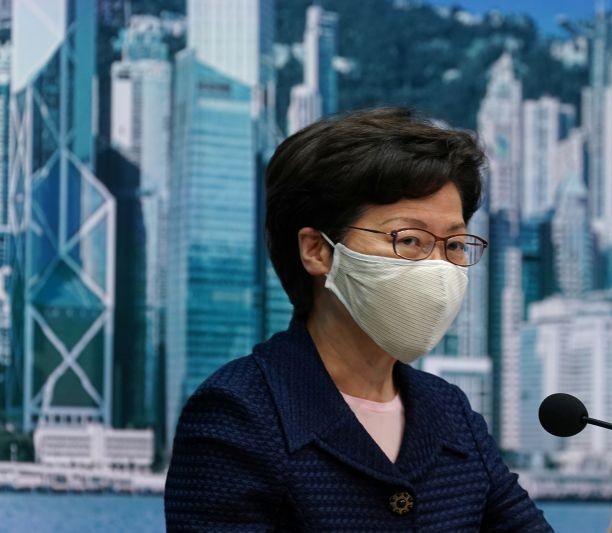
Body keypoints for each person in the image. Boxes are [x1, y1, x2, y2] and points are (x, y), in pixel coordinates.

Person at [165, 107, 553, 531]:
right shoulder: (238, 413)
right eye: (409, 240)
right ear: (317, 250)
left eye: (456, 245)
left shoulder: (451, 413)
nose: (440, 268)